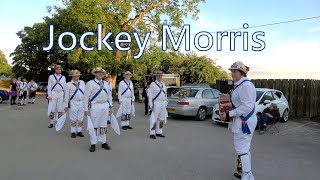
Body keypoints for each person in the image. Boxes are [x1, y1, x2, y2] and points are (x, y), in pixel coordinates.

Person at [219, 61, 257, 180]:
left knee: (242, 149)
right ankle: (245, 173)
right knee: (244, 149)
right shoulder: (240, 85)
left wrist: (230, 113)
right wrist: (231, 104)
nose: (232, 74)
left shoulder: (246, 85)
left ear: (241, 73)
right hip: (242, 120)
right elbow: (241, 103)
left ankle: (247, 175)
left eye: (234, 72)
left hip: (244, 121)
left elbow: (247, 106)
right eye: (231, 72)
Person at [84, 67, 113, 152]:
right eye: (98, 72)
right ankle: (93, 143)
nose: (100, 74)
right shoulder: (90, 83)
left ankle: (104, 142)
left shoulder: (106, 83)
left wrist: (110, 106)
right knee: (95, 124)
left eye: (102, 73)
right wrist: (86, 109)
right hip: (95, 106)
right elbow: (86, 97)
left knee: (103, 124)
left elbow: (109, 96)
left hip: (105, 105)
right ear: (95, 73)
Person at [64, 70, 86, 138]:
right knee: (73, 118)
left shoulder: (82, 82)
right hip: (73, 102)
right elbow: (66, 96)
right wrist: (66, 105)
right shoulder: (68, 84)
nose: (77, 77)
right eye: (76, 76)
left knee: (80, 118)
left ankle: (79, 131)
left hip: (82, 102)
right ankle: (73, 132)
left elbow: (85, 93)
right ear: (72, 76)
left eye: (78, 75)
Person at [148, 71, 168, 139]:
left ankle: (159, 132)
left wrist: (166, 103)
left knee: (161, 118)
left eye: (161, 75)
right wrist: (151, 105)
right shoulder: (153, 84)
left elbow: (165, 95)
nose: (159, 77)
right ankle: (152, 133)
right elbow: (150, 95)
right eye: (158, 75)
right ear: (156, 76)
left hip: (163, 103)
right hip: (156, 103)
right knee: (154, 118)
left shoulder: (163, 84)